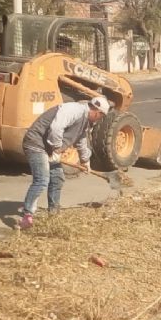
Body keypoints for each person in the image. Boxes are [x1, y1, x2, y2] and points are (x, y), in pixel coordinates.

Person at [19, 96, 110, 229]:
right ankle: (27, 216)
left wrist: (85, 160)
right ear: (97, 111)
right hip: (36, 143)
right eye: (100, 116)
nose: (99, 119)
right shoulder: (74, 110)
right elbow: (56, 128)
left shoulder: (85, 122)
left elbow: (81, 141)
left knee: (57, 178)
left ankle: (54, 213)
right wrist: (56, 148)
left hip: (48, 148)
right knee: (42, 179)